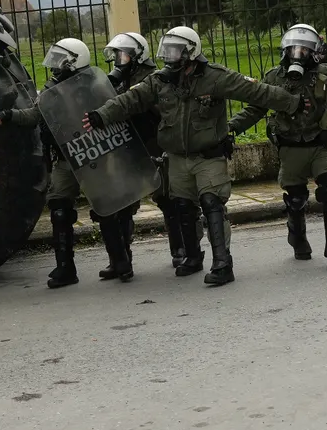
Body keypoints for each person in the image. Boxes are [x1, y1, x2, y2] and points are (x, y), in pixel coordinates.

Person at [81, 25, 307, 287]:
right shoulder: (160, 81)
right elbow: (131, 99)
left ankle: (223, 263)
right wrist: (101, 115)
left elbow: (257, 92)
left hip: (208, 155)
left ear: (190, 52)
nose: (169, 56)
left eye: (175, 51)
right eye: (167, 51)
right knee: (182, 207)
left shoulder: (215, 77)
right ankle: (192, 256)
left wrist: (293, 102)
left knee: (212, 203)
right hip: (177, 157)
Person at [227, 23, 327, 270]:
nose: (298, 54)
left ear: (314, 52)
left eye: (304, 49)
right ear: (285, 50)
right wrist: (230, 128)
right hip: (290, 148)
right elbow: (255, 110)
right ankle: (298, 239)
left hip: (321, 145)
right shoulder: (273, 78)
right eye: (293, 49)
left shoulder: (324, 76)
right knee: (296, 199)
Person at [0, 37, 96, 289]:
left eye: (61, 60)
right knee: (58, 208)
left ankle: (121, 261)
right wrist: (8, 116)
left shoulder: (94, 87)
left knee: (110, 208)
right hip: (66, 157)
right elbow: (35, 115)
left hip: (94, 154)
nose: (56, 66)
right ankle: (65, 268)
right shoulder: (52, 90)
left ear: (74, 62)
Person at [99, 31, 190, 279]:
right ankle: (121, 260)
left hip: (152, 144)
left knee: (167, 198)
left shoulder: (153, 78)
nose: (119, 59)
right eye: (116, 55)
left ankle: (180, 249)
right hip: (126, 147)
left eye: (124, 54)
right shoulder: (115, 80)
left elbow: (162, 109)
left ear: (138, 55)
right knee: (123, 203)